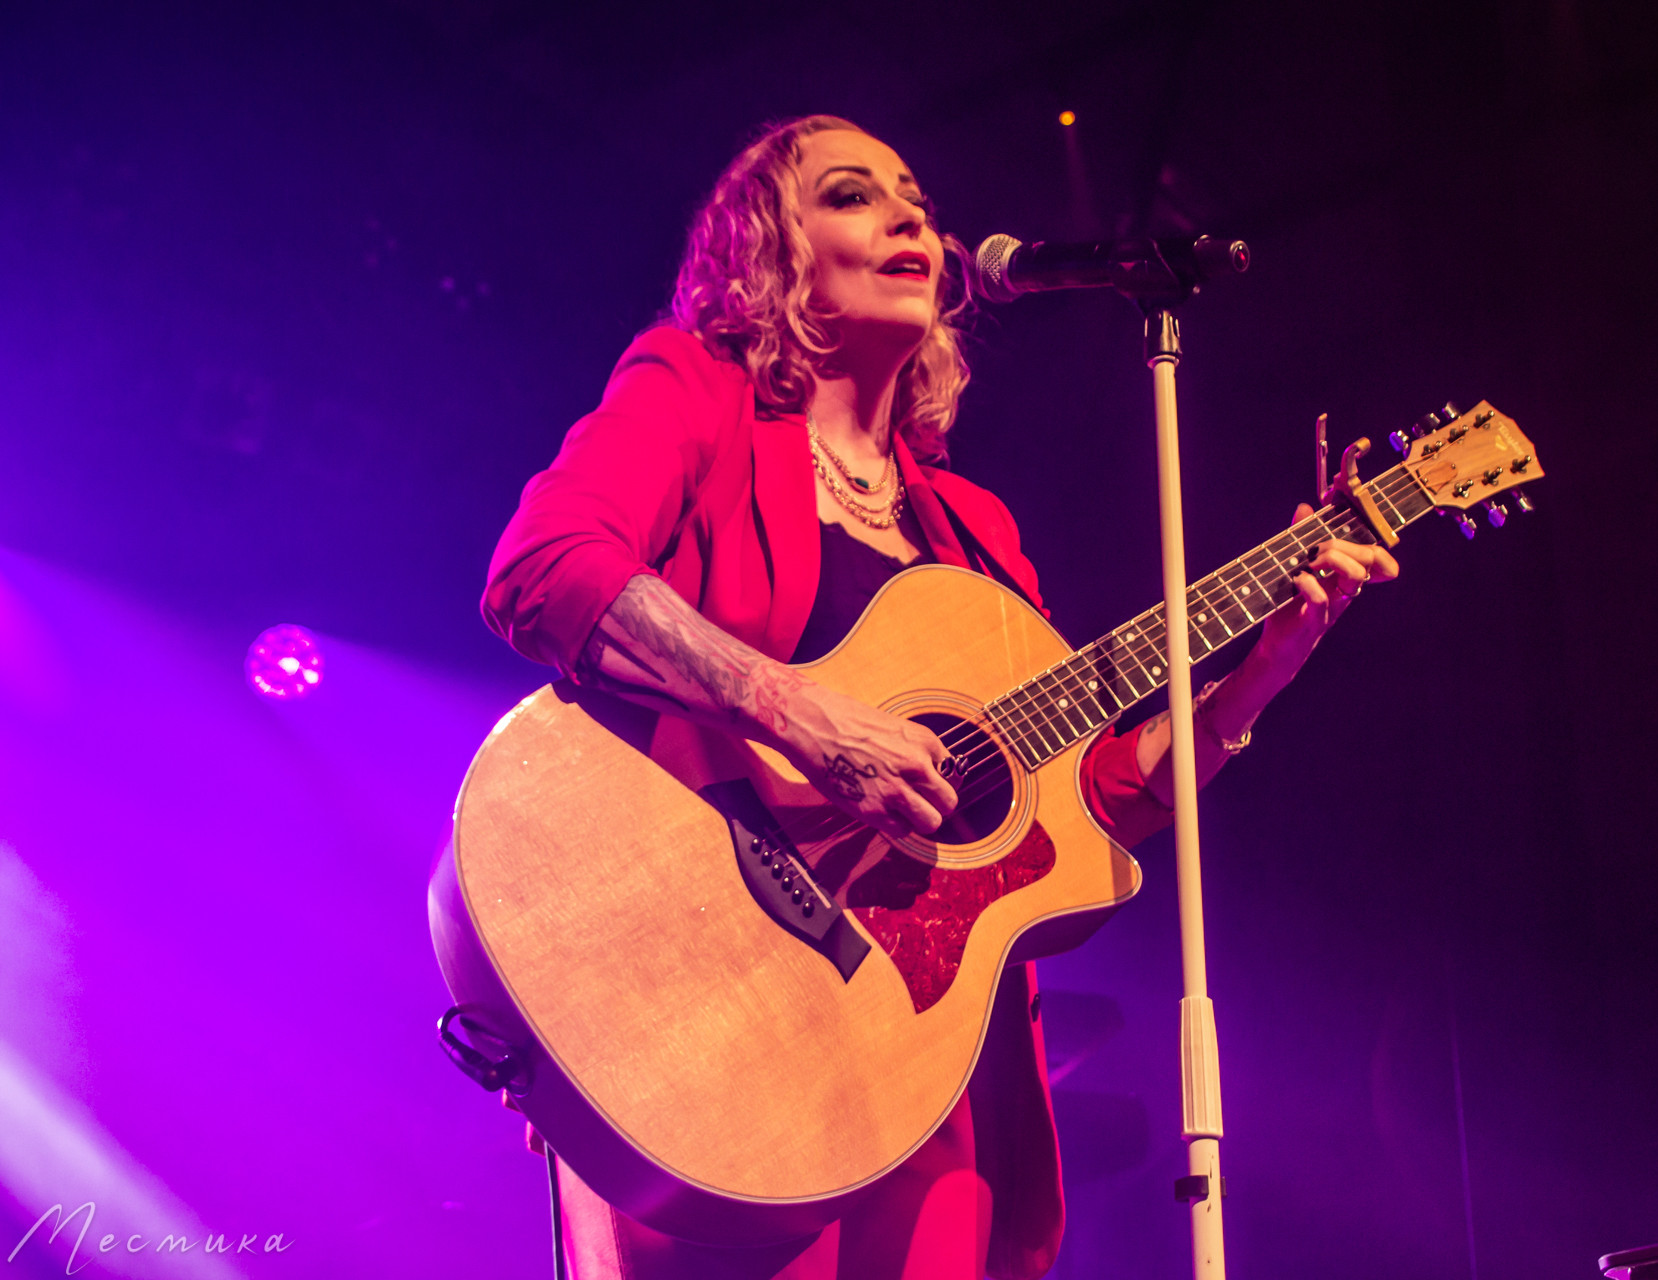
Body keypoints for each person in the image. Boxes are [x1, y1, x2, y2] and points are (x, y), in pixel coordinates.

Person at [482, 114, 1397, 1280]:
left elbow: (1092, 805)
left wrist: (1265, 659)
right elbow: (544, 565)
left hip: (915, 1059)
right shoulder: (696, 392)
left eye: (915, 195)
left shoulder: (975, 533)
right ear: (768, 250)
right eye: (855, 196)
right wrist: (809, 720)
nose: (911, 216)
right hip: (701, 1009)